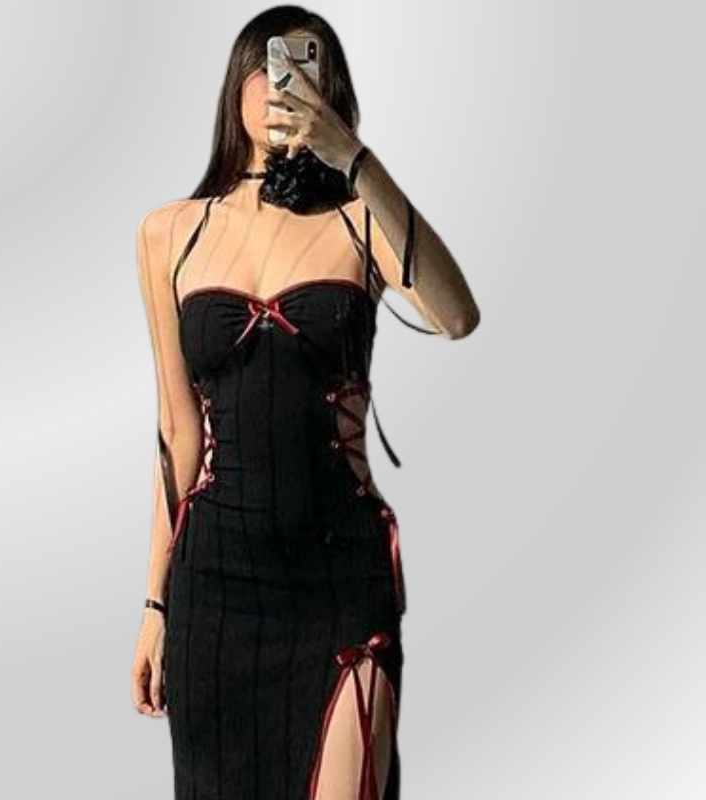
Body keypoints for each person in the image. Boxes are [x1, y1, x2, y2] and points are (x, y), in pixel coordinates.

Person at [133, 8, 479, 800]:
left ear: (332, 91)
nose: (282, 84)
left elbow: (457, 316)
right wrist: (155, 603)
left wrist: (354, 160)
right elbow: (177, 432)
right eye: (267, 65)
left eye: (304, 67)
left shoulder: (361, 220)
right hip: (215, 586)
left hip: (339, 579)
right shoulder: (170, 234)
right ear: (236, 85)